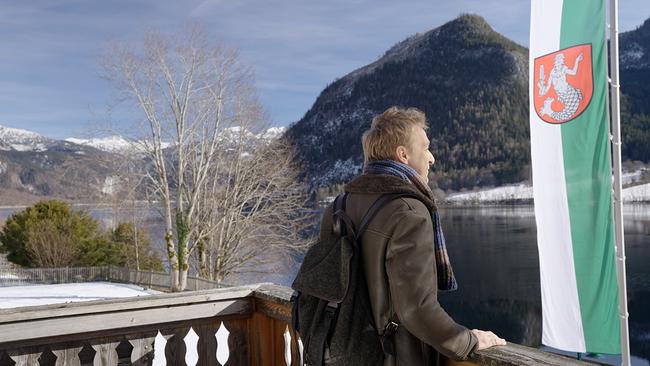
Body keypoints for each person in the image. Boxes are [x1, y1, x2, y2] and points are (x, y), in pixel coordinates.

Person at [320, 106, 505, 365]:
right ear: (403, 154)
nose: (432, 158)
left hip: (339, 351)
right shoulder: (409, 211)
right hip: (392, 356)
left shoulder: (338, 206)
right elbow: (416, 309)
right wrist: (467, 341)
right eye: (426, 147)